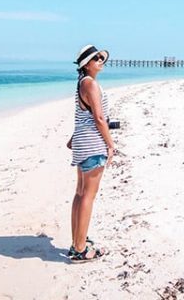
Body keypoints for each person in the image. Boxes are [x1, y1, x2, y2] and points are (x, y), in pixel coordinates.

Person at [66, 44, 114, 261]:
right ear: (86, 64)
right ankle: (80, 248)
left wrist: (73, 139)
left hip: (82, 143)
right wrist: (110, 144)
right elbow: (99, 118)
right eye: (96, 59)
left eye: (101, 58)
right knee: (88, 195)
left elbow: (83, 116)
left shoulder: (81, 83)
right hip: (93, 144)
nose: (100, 62)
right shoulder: (91, 84)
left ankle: (78, 241)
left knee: (80, 193)